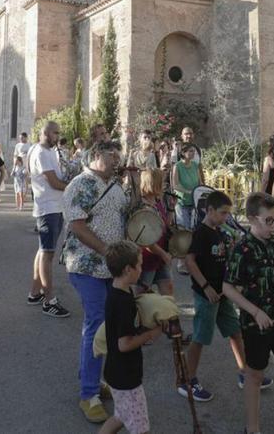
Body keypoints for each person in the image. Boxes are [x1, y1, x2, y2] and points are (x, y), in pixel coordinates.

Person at [62, 140, 130, 424]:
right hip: (86, 265)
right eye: (111, 155)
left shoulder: (116, 186)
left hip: (111, 267)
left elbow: (124, 219)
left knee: (107, 324)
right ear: (95, 155)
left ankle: (91, 377)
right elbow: (77, 226)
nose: (116, 160)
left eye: (118, 155)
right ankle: (88, 393)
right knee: (97, 323)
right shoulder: (80, 185)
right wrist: (106, 251)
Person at [223, 193, 274, 434]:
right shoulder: (242, 248)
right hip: (255, 322)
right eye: (268, 220)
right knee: (255, 375)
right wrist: (255, 312)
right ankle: (253, 428)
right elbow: (228, 288)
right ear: (251, 219)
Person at [183, 189, 264, 402]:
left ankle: (244, 372)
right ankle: (187, 380)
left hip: (223, 293)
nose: (226, 217)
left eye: (228, 213)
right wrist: (206, 286)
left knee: (235, 332)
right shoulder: (201, 233)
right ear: (209, 210)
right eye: (222, 213)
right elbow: (190, 261)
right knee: (200, 338)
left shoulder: (220, 230)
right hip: (206, 295)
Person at [99, 240, 165, 434]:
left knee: (120, 415)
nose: (141, 268)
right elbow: (124, 344)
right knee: (140, 427)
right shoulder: (123, 303)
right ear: (128, 269)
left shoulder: (119, 289)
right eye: (139, 265)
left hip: (115, 371)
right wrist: (152, 333)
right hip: (126, 376)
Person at [28, 121, 71, 318]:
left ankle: (35, 293)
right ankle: (49, 301)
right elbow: (54, 182)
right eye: (56, 132)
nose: (58, 136)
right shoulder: (40, 153)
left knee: (43, 251)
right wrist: (73, 186)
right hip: (49, 208)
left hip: (53, 207)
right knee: (47, 254)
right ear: (45, 133)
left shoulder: (47, 151)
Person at [135, 169, 173, 297]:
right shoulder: (143, 207)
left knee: (168, 290)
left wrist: (171, 209)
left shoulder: (157, 203)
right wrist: (164, 255)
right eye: (161, 182)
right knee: (142, 296)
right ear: (153, 183)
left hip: (159, 255)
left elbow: (165, 226)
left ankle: (168, 316)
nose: (164, 185)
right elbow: (146, 240)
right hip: (148, 258)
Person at [172, 144, 202, 231]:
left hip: (194, 202)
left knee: (194, 228)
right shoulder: (177, 166)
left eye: (194, 151)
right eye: (191, 151)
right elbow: (175, 185)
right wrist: (188, 191)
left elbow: (200, 182)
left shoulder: (195, 165)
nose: (193, 153)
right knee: (184, 229)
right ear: (183, 153)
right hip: (182, 202)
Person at [13, 132, 31, 211]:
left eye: (22, 138)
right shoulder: (18, 145)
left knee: (25, 182)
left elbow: (31, 156)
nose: (21, 139)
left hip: (26, 165)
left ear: (26, 137)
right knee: (17, 184)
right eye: (20, 138)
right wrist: (14, 165)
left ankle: (24, 196)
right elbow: (15, 155)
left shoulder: (29, 145)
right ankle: (18, 203)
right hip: (19, 165)